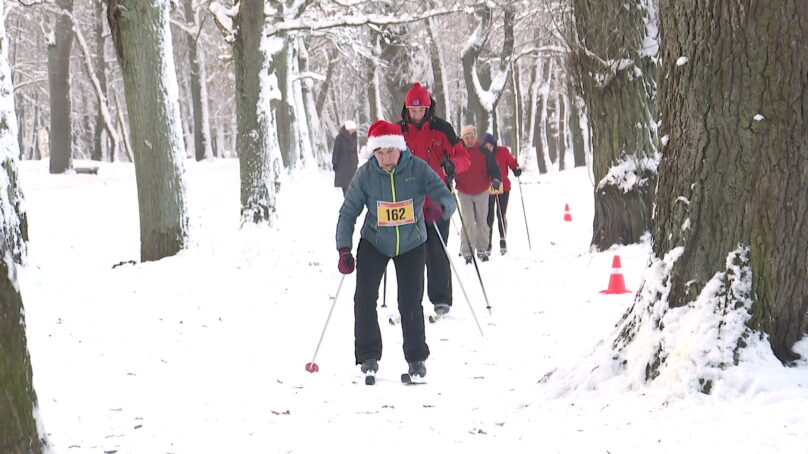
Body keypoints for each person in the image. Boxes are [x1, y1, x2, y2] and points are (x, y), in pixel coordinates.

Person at [335, 119, 456, 380]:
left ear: (400, 148)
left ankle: (416, 359)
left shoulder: (418, 169)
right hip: (375, 242)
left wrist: (439, 209)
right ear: (373, 152)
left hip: (412, 242)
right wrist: (344, 249)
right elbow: (348, 213)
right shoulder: (365, 175)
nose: (386, 158)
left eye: (390, 151)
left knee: (410, 301)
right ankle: (368, 355)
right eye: (379, 152)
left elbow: (446, 197)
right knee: (364, 298)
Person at [399, 82, 470, 316]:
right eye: (412, 110)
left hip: (437, 201)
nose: (416, 114)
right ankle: (411, 298)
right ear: (407, 109)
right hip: (408, 202)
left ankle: (441, 298)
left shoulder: (443, 129)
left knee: (437, 248)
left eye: (420, 110)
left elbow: (464, 157)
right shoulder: (398, 131)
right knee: (411, 251)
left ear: (428, 109)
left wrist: (452, 165)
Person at [454, 125, 501, 263]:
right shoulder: (458, 152)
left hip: (482, 191)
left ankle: (482, 249)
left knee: (482, 221)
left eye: (472, 137)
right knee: (468, 222)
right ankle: (467, 251)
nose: (470, 140)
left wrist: (496, 179)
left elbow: (494, 168)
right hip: (464, 192)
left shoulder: (484, 151)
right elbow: (452, 167)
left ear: (476, 137)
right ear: (462, 138)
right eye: (466, 137)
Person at [481, 133, 522, 255]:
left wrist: (515, 169)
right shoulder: (482, 155)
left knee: (501, 213)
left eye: (491, 146)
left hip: (503, 186)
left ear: (494, 145)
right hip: (489, 186)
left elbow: (511, 162)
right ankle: (488, 242)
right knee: (489, 216)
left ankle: (502, 239)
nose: (489, 148)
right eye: (486, 146)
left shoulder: (503, 152)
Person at [332, 120, 358, 196]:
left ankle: (350, 199)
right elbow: (336, 151)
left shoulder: (354, 137)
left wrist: (356, 161)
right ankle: (347, 198)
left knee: (352, 184)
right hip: (342, 164)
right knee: (345, 184)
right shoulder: (339, 138)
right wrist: (335, 163)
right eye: (351, 130)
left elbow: (355, 150)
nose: (353, 131)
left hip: (352, 164)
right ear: (347, 129)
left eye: (354, 130)